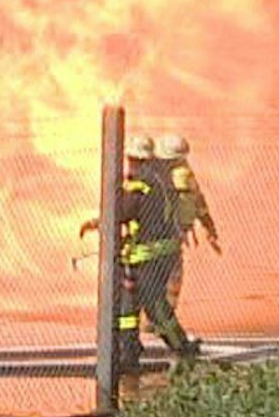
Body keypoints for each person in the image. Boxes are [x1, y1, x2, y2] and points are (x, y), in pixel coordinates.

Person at [81, 133, 199, 374]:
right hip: (150, 253)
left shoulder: (141, 183)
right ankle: (130, 350)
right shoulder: (159, 177)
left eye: (135, 159)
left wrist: (99, 222)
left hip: (150, 255)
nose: (131, 163)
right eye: (131, 158)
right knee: (128, 304)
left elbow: (124, 211)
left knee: (153, 304)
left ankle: (180, 345)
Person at [156, 132, 220, 315]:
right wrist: (209, 227)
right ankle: (164, 315)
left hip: (161, 230)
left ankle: (157, 315)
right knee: (172, 274)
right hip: (175, 232)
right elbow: (199, 204)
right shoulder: (185, 176)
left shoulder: (157, 174)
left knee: (159, 273)